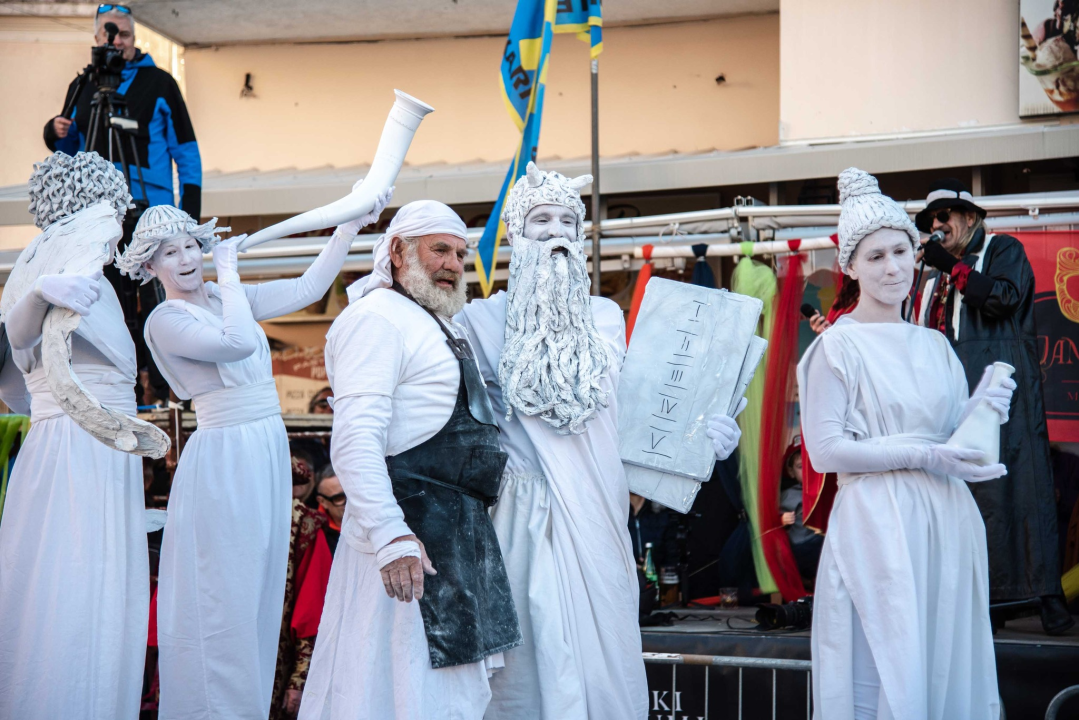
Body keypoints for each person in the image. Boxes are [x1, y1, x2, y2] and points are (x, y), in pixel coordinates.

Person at [456, 163, 745, 720]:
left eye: (568, 221)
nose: (557, 232)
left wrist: (702, 438)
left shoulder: (607, 316)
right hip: (515, 520)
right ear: (515, 234)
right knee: (527, 673)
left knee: (603, 667)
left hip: (600, 512)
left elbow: (637, 417)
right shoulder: (477, 321)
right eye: (541, 219)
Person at [116, 188, 389, 719]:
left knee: (262, 589)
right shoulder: (165, 319)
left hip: (263, 444)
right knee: (227, 594)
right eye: (170, 252)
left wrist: (349, 227)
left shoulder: (225, 298)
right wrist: (230, 272)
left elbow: (309, 287)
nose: (187, 258)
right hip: (225, 456)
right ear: (150, 266)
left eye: (191, 245)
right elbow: (237, 344)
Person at [799, 167, 1012, 720]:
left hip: (946, 522)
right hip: (877, 525)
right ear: (850, 266)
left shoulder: (934, 343)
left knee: (943, 661)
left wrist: (984, 412)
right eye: (875, 257)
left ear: (916, 255)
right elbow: (826, 451)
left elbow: (950, 439)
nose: (892, 268)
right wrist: (921, 454)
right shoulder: (836, 347)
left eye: (900, 251)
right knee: (887, 664)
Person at [299, 200, 521, 720]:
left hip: (460, 534)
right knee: (398, 693)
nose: (453, 264)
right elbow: (355, 439)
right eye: (440, 249)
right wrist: (391, 535)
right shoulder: (375, 319)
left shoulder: (439, 322)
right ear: (397, 251)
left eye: (461, 254)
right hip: (411, 534)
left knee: (451, 698)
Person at [0, 151, 149, 719]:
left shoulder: (61, 271)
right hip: (78, 445)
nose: (119, 227)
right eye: (116, 210)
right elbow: (19, 340)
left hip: (80, 443)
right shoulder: (54, 270)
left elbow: (15, 380)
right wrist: (43, 293)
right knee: (76, 578)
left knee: (81, 579)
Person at [914, 178, 1073, 635]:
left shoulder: (1004, 249)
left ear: (970, 217)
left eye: (944, 215)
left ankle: (1047, 596)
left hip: (1006, 394)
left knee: (1023, 489)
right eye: (931, 219)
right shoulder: (934, 277)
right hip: (957, 396)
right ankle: (991, 599)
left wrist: (949, 265)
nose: (938, 224)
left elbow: (1003, 298)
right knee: (971, 494)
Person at [46, 5, 202, 403]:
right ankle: (124, 391)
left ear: (135, 38)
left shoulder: (160, 82)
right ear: (97, 39)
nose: (116, 41)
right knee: (110, 301)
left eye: (124, 34)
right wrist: (54, 132)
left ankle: (170, 391)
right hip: (99, 213)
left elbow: (186, 150)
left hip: (151, 208)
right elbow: (71, 155)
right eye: (108, 34)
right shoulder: (82, 85)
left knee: (159, 296)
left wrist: (189, 216)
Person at [778, 436, 823, 584]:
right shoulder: (790, 494)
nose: (807, 469)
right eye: (800, 466)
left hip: (820, 541)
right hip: (802, 545)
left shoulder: (825, 488)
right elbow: (775, 520)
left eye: (811, 463)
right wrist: (783, 519)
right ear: (791, 472)